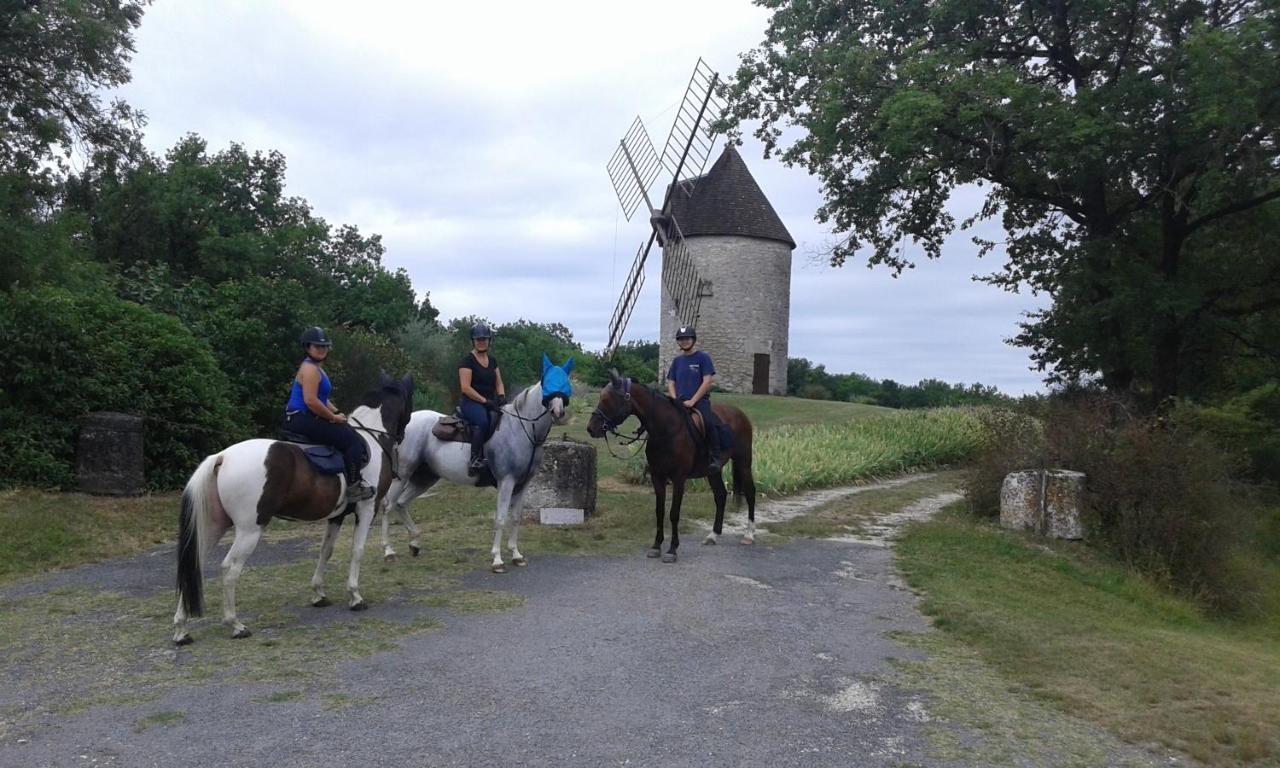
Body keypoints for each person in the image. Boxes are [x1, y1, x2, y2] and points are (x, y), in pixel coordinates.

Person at [282, 327, 375, 501]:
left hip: (302, 417)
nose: (322, 349)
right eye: (317, 346)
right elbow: (311, 401)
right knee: (352, 441)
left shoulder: (316, 368)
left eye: (324, 346)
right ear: (308, 347)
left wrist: (337, 412)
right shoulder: (310, 370)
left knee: (346, 430)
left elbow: (322, 399)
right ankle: (354, 487)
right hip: (301, 418)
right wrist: (332, 418)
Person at [666, 325, 722, 471]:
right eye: (681, 339)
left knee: (709, 423)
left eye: (687, 339)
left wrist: (693, 400)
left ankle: (716, 457)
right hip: (679, 402)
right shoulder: (677, 361)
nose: (684, 342)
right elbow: (671, 382)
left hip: (698, 401)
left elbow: (707, 381)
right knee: (660, 423)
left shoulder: (703, 358)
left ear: (693, 340)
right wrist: (674, 398)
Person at [458, 323, 506, 475]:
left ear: (489, 340)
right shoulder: (467, 361)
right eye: (478, 339)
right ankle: (475, 459)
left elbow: (499, 382)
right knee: (483, 422)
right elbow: (465, 388)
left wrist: (501, 396)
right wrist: (485, 401)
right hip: (470, 402)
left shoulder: (492, 361)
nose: (481, 342)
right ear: (473, 341)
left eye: (484, 339)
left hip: (489, 402)